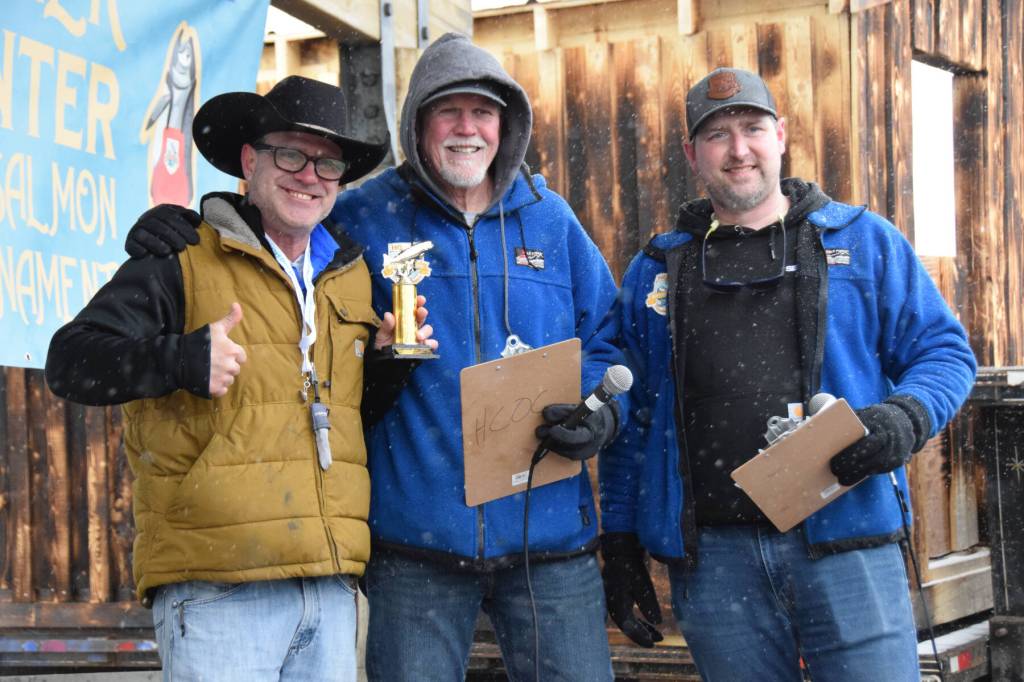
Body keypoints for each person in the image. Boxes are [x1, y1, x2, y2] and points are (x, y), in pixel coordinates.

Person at [123, 33, 624, 681]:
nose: (467, 128)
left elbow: (611, 336)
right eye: (449, 110)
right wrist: (187, 228)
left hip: (548, 545)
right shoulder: (361, 214)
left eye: (484, 112)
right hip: (413, 545)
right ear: (417, 122)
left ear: (508, 125)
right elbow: (270, 237)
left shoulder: (551, 222)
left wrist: (600, 410)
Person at [46, 76, 435, 682]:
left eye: (327, 163)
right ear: (250, 161)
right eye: (290, 154)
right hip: (219, 587)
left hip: (328, 589)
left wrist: (384, 364)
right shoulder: (179, 257)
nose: (309, 174)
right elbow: (69, 362)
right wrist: (180, 360)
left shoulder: (350, 274)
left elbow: (334, 417)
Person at [599, 67, 977, 680]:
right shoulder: (657, 271)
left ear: (781, 136)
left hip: (847, 545)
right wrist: (619, 542)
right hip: (716, 565)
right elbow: (632, 415)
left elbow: (945, 352)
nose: (739, 149)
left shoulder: (864, 242)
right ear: (693, 154)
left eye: (752, 128)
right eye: (718, 135)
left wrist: (903, 418)